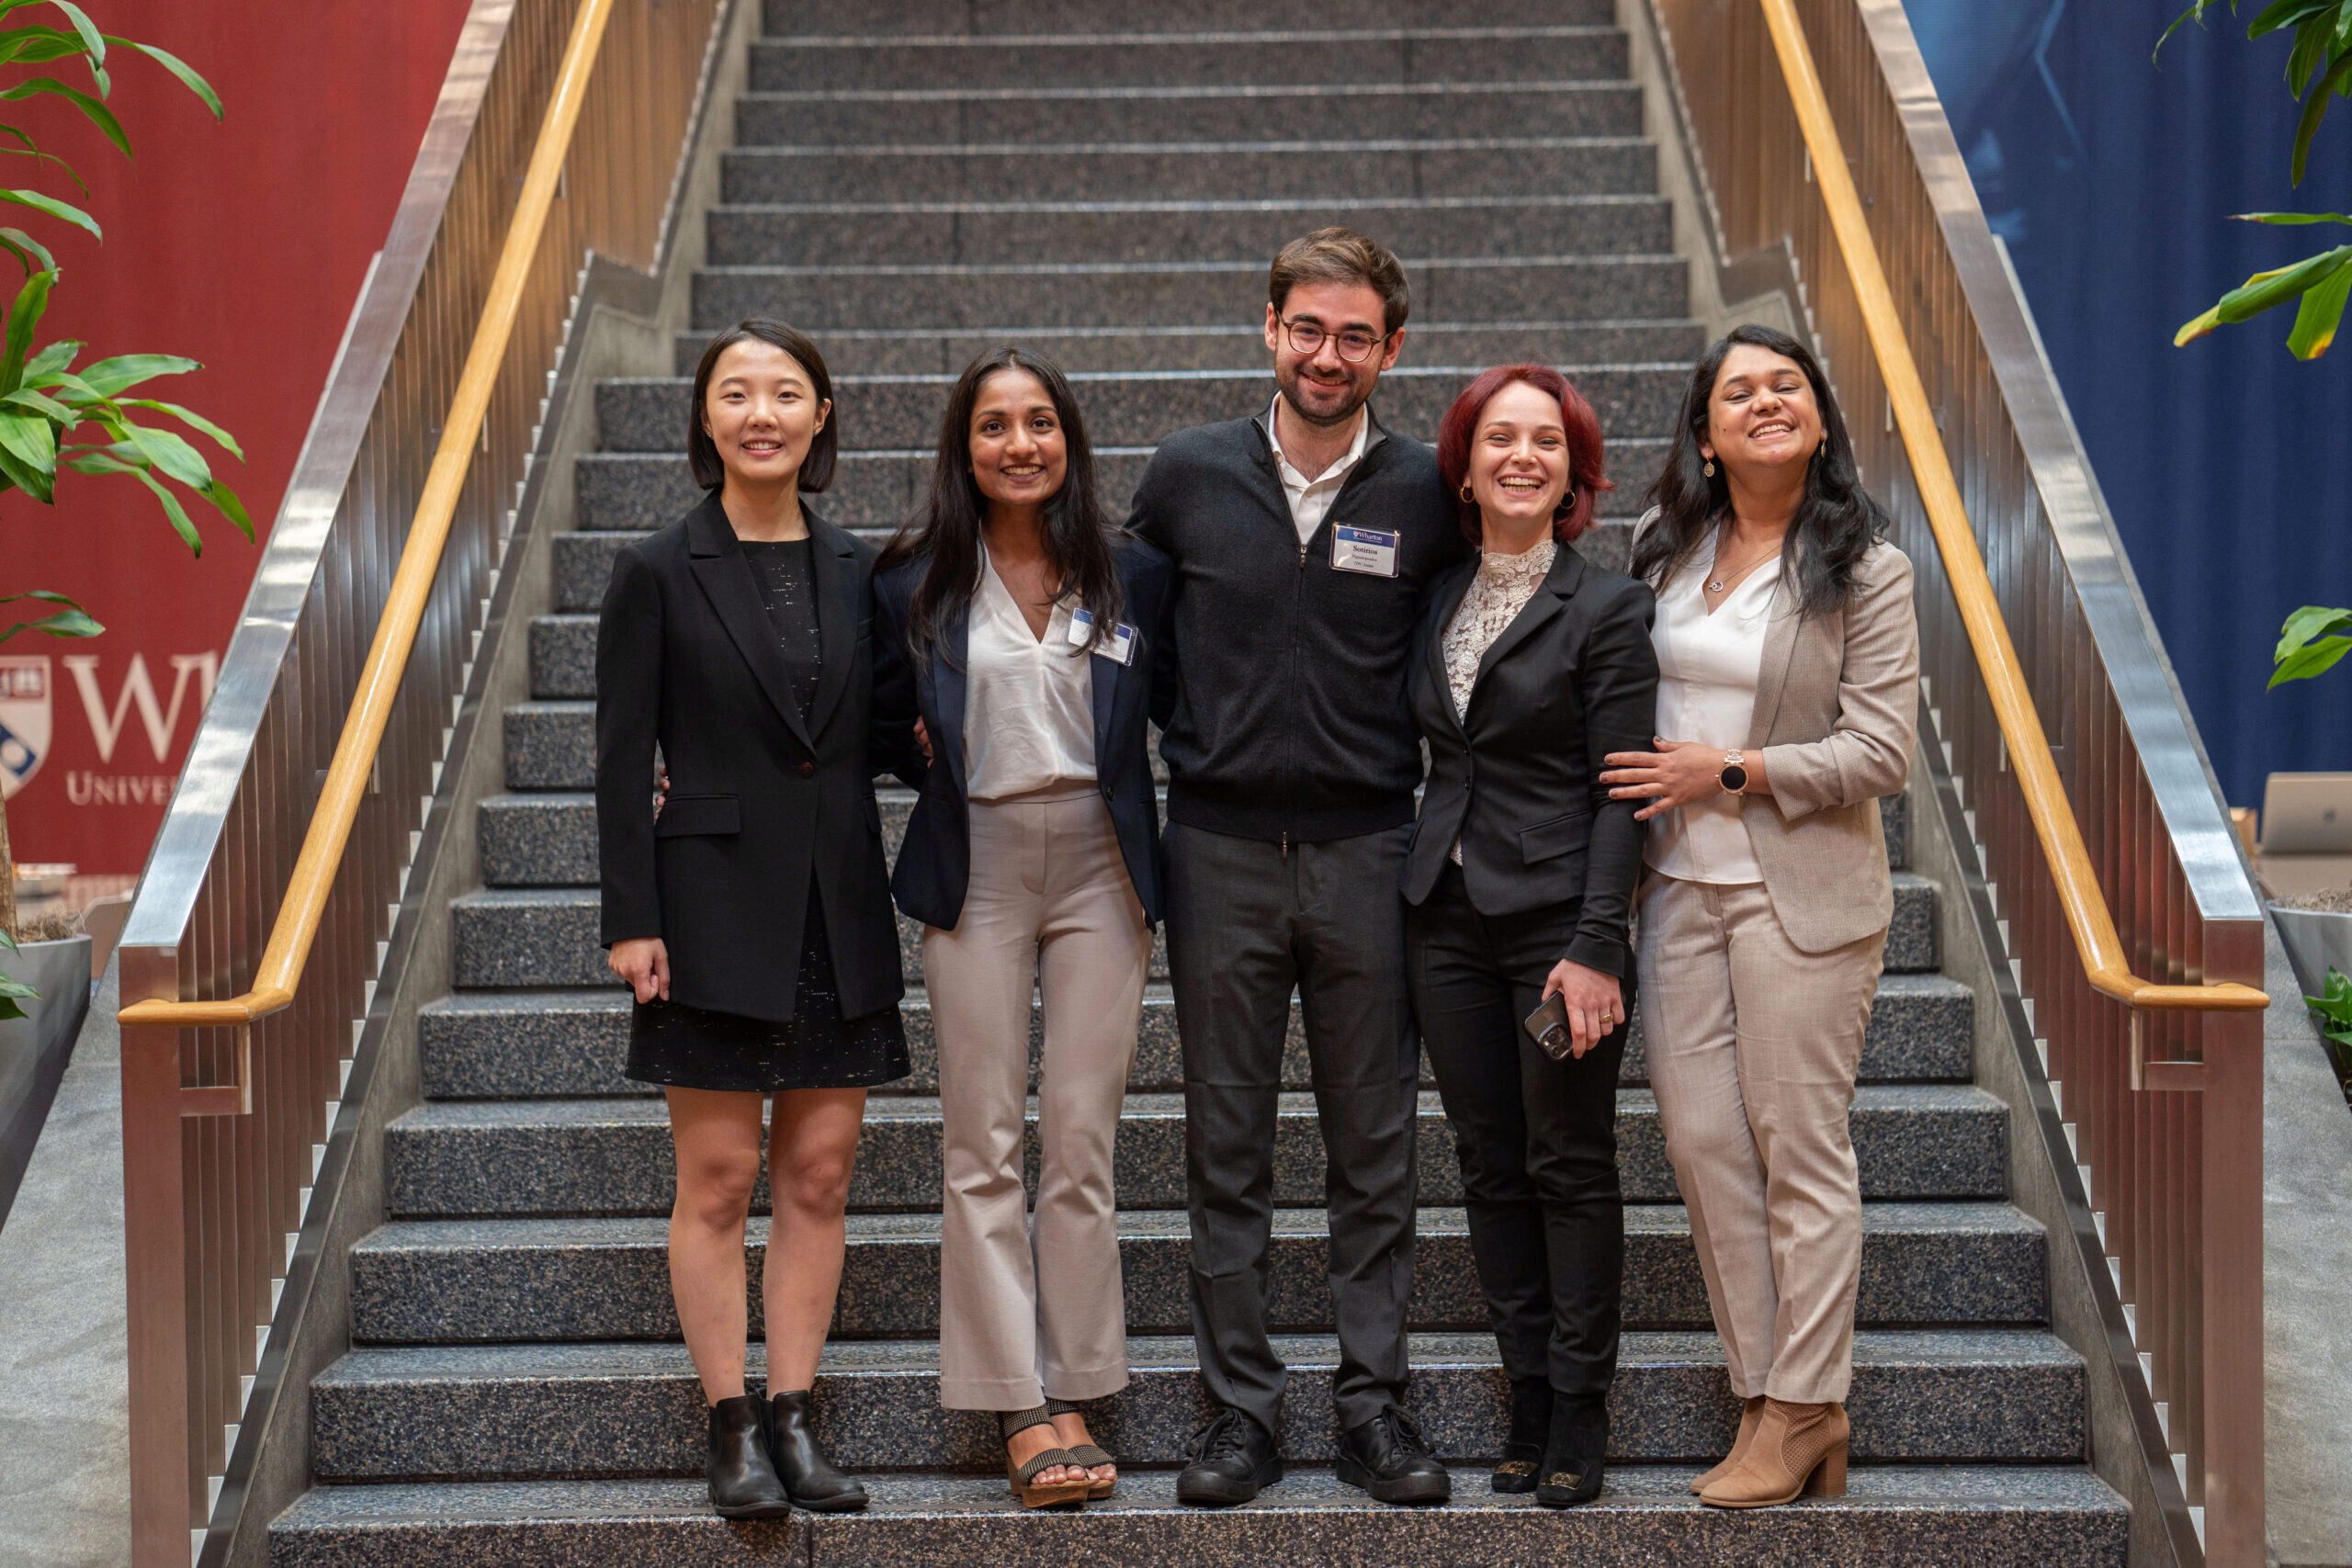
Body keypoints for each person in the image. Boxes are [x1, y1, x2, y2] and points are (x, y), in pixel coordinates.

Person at [1127, 227, 1471, 1508]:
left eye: (1357, 335)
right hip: (1215, 849)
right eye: (1308, 328)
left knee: (1375, 1142)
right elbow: (1129, 653)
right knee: (1224, 1142)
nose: (1330, 355)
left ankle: (1374, 1405)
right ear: (1267, 326)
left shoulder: (1430, 492)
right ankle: (1240, 1412)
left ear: (1392, 348)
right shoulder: (1184, 477)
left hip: (1370, 852)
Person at [595, 319, 910, 1520]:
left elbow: (884, 734)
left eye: (787, 392)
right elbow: (624, 760)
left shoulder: (856, 570)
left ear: (821, 415)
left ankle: (796, 1411)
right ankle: (728, 1421)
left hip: (838, 902)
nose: (763, 412)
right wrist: (633, 916)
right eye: (739, 393)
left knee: (820, 1175)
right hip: (710, 905)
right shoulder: (657, 569)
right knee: (720, 1176)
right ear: (707, 418)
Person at [1602, 322, 1918, 1510]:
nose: (1766, 401)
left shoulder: (1867, 568)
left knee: (1799, 1139)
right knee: (1700, 1138)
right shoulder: (1661, 547)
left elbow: (1879, 750)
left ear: (1822, 420)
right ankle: (1769, 1389)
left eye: (1788, 384)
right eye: (1740, 390)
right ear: (1706, 431)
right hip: (1675, 885)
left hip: (1803, 889)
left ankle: (1799, 1406)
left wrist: (1728, 771)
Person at [871, 348, 1173, 1509]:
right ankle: (1016, 1399)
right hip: (979, 866)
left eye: (1040, 422)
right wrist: (918, 751)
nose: (1020, 444)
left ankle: (1082, 1382)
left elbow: (1179, 703)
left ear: (1069, 440)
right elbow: (873, 720)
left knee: (1082, 1138)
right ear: (964, 449)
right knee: (982, 1141)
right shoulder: (910, 583)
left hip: (1101, 865)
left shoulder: (1132, 571)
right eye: (994, 426)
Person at [1403, 366, 1657, 1509]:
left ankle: (1579, 1404)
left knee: (1567, 1161)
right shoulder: (1436, 594)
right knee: (1487, 1166)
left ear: (1572, 471)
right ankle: (1524, 1391)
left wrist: (1599, 941)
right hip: (1444, 924)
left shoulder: (1605, 608)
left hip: (1561, 925)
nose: (1521, 456)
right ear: (1462, 466)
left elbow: (1622, 790)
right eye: (1498, 438)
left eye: (1545, 441)